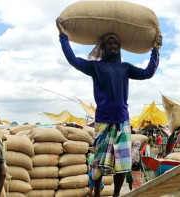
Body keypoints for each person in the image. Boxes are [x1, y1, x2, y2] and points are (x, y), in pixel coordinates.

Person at [56, 17, 162, 197]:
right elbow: (73, 60)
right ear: (103, 47)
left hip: (122, 120)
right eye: (109, 42)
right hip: (104, 120)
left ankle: (116, 195)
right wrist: (63, 37)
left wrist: (155, 51)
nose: (113, 45)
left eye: (115, 42)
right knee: (98, 162)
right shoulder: (95, 67)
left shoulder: (125, 68)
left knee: (124, 162)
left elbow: (147, 73)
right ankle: (97, 190)